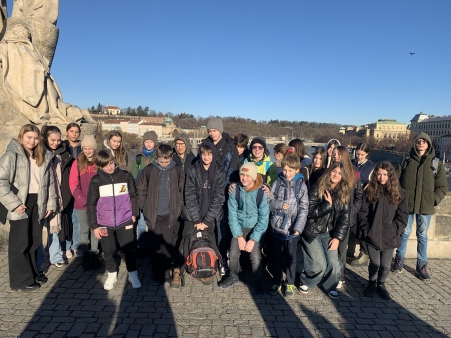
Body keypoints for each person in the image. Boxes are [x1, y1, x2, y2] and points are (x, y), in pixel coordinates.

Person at [0, 124, 56, 291]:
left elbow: (50, 183)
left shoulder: (43, 155)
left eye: (35, 138)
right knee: (20, 242)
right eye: (29, 137)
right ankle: (21, 280)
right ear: (21, 137)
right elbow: (1, 182)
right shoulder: (11, 155)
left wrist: (50, 204)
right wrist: (14, 204)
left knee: (35, 240)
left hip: (38, 202)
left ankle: (32, 273)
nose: (32, 141)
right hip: (19, 202)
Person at [393, 133, 447, 280]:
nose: (421, 143)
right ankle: (399, 259)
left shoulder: (436, 163)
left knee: (422, 235)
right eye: (419, 141)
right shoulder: (406, 161)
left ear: (428, 144)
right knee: (404, 233)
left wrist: (433, 200)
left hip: (425, 206)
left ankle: (421, 264)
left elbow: (442, 187)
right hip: (407, 205)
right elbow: (395, 181)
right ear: (415, 143)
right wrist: (399, 198)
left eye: (424, 141)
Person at [86, 150, 141, 290]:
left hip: (125, 220)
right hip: (104, 223)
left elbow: (134, 196)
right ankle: (112, 273)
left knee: (129, 249)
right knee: (108, 250)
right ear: (100, 166)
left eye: (111, 163)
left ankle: (132, 273)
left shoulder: (126, 176)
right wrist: (95, 226)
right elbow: (91, 205)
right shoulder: (96, 181)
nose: (109, 167)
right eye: (105, 165)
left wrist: (134, 214)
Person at [299, 163, 351, 300]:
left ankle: (331, 285)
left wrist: (337, 238)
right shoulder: (318, 187)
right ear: (329, 172)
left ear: (343, 177)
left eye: (340, 173)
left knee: (333, 262)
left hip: (329, 233)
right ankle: (307, 280)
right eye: (334, 171)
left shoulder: (344, 193)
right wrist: (326, 205)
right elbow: (309, 212)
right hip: (312, 231)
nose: (336, 175)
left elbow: (345, 219)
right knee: (319, 265)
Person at [177, 141, 225, 286]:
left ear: (213, 155)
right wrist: (197, 220)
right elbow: (189, 195)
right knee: (185, 242)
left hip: (210, 217)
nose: (206, 157)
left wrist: (206, 220)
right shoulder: (192, 170)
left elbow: (218, 198)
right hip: (192, 216)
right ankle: (178, 270)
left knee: (210, 242)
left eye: (209, 154)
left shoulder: (220, 172)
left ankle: (208, 267)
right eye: (203, 154)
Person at [358, 162, 408, 300]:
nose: (382, 177)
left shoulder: (399, 193)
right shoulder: (370, 190)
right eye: (379, 174)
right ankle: (371, 283)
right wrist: (366, 229)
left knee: (385, 265)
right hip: (372, 233)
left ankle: (381, 284)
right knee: (375, 263)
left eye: (385, 174)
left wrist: (395, 230)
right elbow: (363, 212)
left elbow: (403, 216)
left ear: (390, 175)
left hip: (389, 235)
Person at [137, 144, 184, 284]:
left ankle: (165, 269)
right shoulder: (149, 170)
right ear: (156, 158)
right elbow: (141, 190)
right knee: (156, 244)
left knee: (168, 243)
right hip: (154, 214)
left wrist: (178, 207)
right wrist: (144, 207)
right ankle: (156, 271)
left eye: (166, 161)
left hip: (170, 214)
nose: (164, 164)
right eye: (161, 161)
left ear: (171, 157)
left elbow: (181, 190)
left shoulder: (177, 170)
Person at [219, 162, 269, 293]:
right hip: (239, 227)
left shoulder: (261, 193)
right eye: (242, 174)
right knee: (234, 253)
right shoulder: (235, 190)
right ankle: (233, 275)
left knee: (255, 256)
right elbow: (232, 215)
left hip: (255, 228)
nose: (244, 178)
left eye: (248, 175)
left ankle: (258, 279)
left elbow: (264, 219)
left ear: (253, 177)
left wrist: (253, 239)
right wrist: (239, 236)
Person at [268, 155, 308, 298]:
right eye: (285, 170)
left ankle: (290, 282)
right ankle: (277, 280)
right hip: (277, 227)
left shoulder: (301, 186)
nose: (287, 173)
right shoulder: (277, 183)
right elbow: (270, 201)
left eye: (291, 170)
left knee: (291, 257)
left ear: (297, 170)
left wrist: (298, 227)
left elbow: (304, 209)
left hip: (292, 229)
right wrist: (279, 205)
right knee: (277, 256)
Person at [205, 117, 239, 271]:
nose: (212, 133)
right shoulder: (206, 145)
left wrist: (222, 195)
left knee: (222, 228)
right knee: (208, 226)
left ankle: (222, 259)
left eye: (214, 130)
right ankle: (208, 256)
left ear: (220, 130)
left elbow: (231, 172)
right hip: (207, 193)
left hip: (223, 195)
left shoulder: (230, 147)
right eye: (210, 130)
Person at [40, 125, 75, 267]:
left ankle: (56, 255)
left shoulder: (65, 154)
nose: (56, 143)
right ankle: (44, 257)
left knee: (58, 226)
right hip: (44, 193)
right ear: (46, 139)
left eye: (58, 140)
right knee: (45, 227)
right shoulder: (41, 153)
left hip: (60, 194)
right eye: (52, 140)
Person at [332, 145, 363, 289]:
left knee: (341, 250)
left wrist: (351, 212)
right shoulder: (331, 171)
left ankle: (341, 276)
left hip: (346, 217)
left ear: (344, 155)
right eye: (333, 154)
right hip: (331, 216)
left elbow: (358, 197)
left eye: (338, 154)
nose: (335, 156)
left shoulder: (354, 174)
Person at [69, 135, 99, 260]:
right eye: (85, 148)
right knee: (84, 229)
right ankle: (85, 252)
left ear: (94, 148)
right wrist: (83, 200)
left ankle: (94, 251)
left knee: (95, 228)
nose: (87, 151)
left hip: (97, 203)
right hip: (81, 204)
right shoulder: (77, 163)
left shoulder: (99, 163)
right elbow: (73, 185)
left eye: (90, 148)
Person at [130, 130, 159, 254]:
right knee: (141, 223)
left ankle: (154, 246)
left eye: (151, 142)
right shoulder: (138, 158)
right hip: (140, 195)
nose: (148, 144)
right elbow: (133, 176)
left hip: (154, 195)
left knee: (154, 223)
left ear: (155, 143)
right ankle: (141, 246)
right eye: (146, 141)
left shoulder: (158, 157)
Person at [350, 142, 375, 267]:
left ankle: (364, 253)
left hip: (364, 201)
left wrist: (371, 184)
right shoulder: (351, 164)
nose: (359, 157)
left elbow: (377, 183)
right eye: (357, 154)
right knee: (352, 225)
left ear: (367, 154)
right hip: (352, 199)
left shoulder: (371, 167)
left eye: (362, 155)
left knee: (361, 226)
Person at [63, 122, 82, 258]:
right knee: (66, 218)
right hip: (64, 186)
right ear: (67, 132)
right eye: (72, 131)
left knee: (77, 218)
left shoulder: (83, 147)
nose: (74, 134)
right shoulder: (63, 147)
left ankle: (76, 245)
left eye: (77, 131)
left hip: (79, 186)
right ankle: (66, 246)